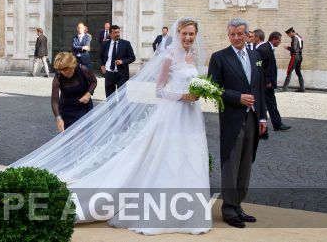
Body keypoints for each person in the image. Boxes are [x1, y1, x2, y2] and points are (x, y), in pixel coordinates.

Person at [12, 17, 211, 235]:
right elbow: (159, 90)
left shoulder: (195, 56)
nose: (188, 38)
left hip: (191, 114)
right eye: (185, 34)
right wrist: (183, 95)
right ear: (179, 34)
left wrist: (199, 93)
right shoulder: (170, 57)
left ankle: (188, 210)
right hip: (173, 112)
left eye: (192, 34)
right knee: (167, 155)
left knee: (189, 154)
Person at [208, 18, 267, 229]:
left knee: (245, 164)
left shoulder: (256, 56)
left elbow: (260, 88)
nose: (236, 38)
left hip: (253, 118)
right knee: (231, 164)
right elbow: (213, 88)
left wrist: (262, 116)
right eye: (232, 34)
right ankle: (229, 209)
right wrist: (237, 97)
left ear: (247, 34)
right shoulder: (219, 58)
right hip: (232, 119)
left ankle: (239, 205)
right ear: (228, 35)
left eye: (240, 34)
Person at [255, 30, 291, 133]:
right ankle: (276, 124)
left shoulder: (267, 48)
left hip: (267, 82)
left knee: (270, 104)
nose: (280, 42)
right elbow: (262, 67)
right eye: (279, 40)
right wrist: (267, 81)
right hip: (266, 83)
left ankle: (276, 124)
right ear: (274, 39)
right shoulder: (264, 49)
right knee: (270, 104)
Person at [51, 52, 97, 132]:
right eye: (61, 70)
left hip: (84, 108)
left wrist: (88, 93)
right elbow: (54, 101)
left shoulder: (83, 69)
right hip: (66, 110)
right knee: (69, 137)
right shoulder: (58, 77)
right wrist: (58, 118)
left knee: (85, 134)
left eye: (65, 69)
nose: (63, 72)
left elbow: (94, 82)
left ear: (72, 65)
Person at [100, 25, 136, 97]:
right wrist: (102, 66)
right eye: (115, 32)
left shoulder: (126, 44)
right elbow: (101, 56)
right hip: (109, 74)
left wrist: (122, 61)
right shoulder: (105, 44)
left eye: (118, 32)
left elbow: (132, 57)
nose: (117, 34)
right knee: (109, 97)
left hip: (121, 74)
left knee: (122, 97)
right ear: (110, 34)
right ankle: (112, 109)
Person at [282, 27, 305, 92]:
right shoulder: (299, 37)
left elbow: (294, 49)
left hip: (295, 56)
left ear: (291, 32)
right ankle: (302, 87)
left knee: (289, 71)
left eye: (289, 34)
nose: (289, 36)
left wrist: (287, 47)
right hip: (300, 56)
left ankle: (285, 87)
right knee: (298, 72)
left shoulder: (294, 37)